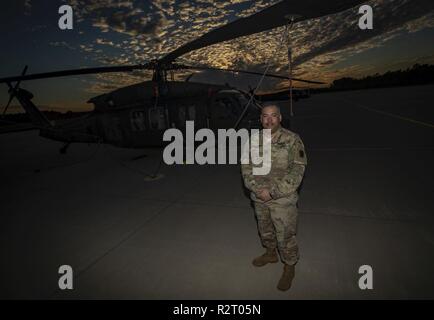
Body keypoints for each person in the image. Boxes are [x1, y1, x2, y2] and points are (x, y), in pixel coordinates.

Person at [241, 104, 307, 291]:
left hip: (282, 199)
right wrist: (256, 189)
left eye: (273, 116)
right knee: (265, 230)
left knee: (285, 235)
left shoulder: (292, 139)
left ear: (280, 118)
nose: (269, 120)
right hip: (259, 197)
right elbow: (245, 167)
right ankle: (270, 254)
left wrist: (273, 192)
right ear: (260, 119)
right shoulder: (253, 140)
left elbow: (298, 170)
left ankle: (289, 266)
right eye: (265, 116)